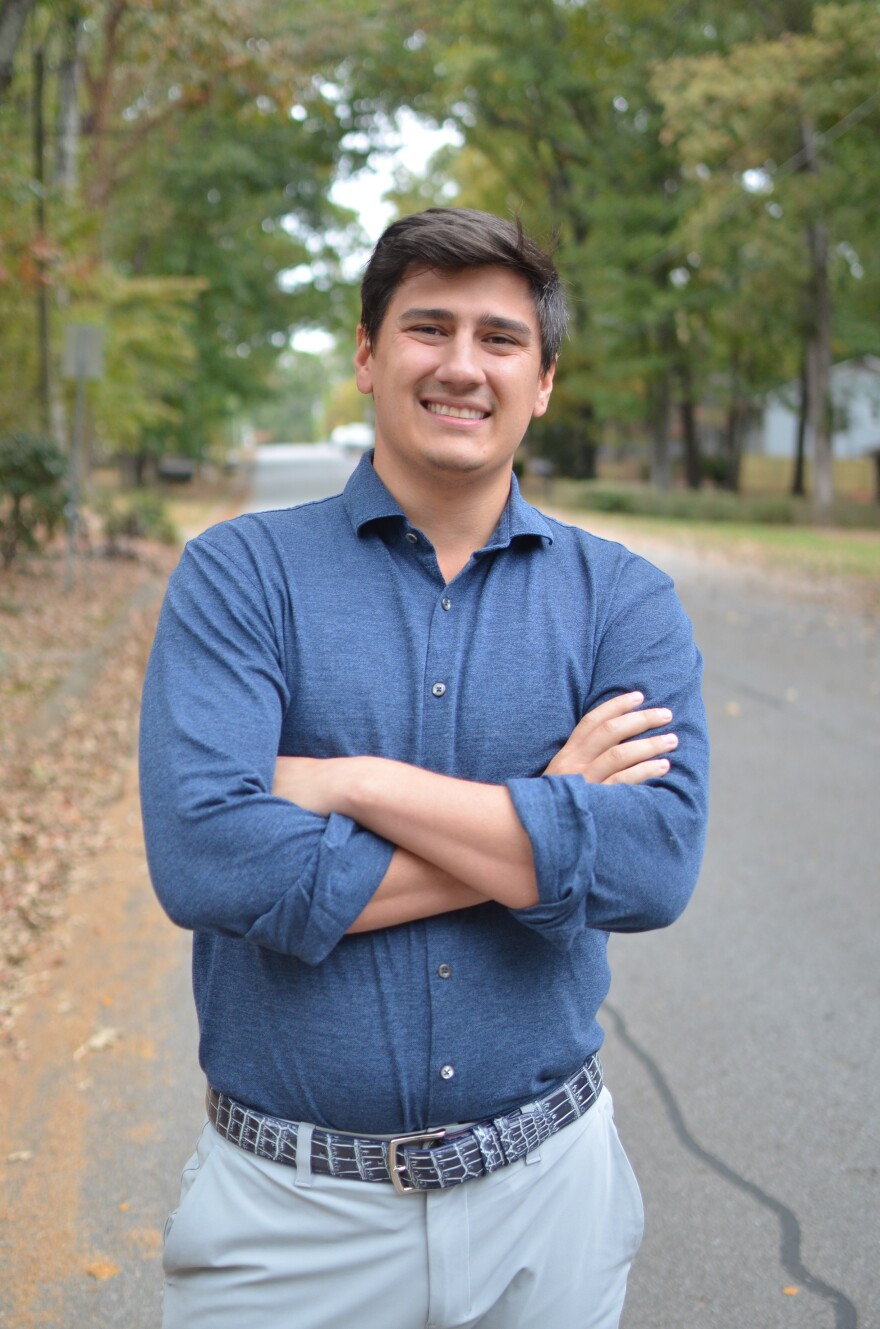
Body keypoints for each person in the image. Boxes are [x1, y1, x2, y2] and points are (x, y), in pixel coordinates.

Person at [139, 207, 709, 1329]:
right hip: (288, 1220)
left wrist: (351, 785)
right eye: (427, 328)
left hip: (549, 1205)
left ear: (542, 382)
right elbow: (209, 862)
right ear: (365, 356)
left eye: (500, 339)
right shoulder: (239, 577)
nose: (461, 366)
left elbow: (654, 872)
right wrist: (551, 820)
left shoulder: (621, 600)